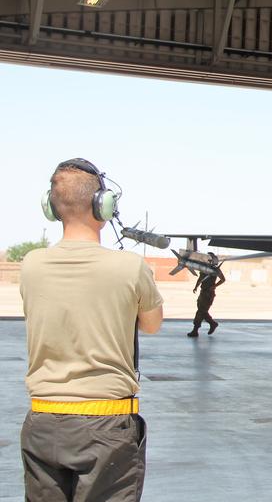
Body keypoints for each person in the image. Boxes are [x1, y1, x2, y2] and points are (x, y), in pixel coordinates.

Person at [20, 158, 164, 501]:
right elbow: (152, 324)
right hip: (106, 428)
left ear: (51, 208)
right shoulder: (130, 267)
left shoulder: (31, 264)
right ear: (103, 206)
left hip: (42, 422)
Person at [188, 263, 225, 337]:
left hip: (208, 294)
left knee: (201, 311)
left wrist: (214, 286)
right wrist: (196, 287)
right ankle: (210, 324)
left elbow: (223, 279)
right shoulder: (204, 268)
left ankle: (198, 329)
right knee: (201, 311)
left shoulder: (215, 269)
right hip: (203, 292)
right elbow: (201, 278)